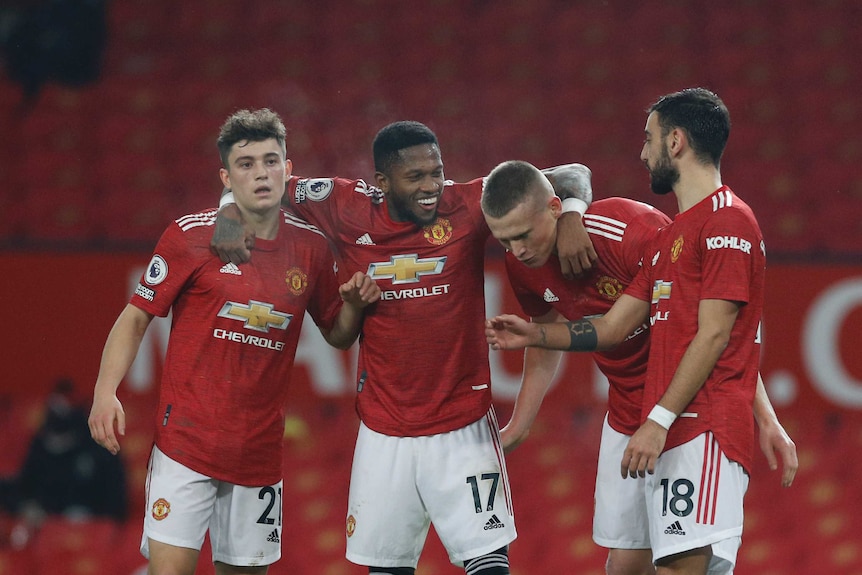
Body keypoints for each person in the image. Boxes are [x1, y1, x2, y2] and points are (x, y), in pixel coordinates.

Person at [211, 120, 596, 575]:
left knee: (490, 566)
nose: (432, 186)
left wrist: (570, 214)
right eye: (415, 178)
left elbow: (573, 174)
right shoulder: (340, 204)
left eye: (437, 171)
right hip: (383, 431)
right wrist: (227, 212)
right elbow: (265, 182)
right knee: (386, 570)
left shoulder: (467, 203)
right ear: (381, 182)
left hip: (464, 425)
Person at [485, 88, 773, 575]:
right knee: (625, 567)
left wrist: (669, 420)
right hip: (641, 416)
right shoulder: (678, 235)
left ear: (675, 142)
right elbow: (613, 327)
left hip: (691, 417)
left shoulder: (709, 223)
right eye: (503, 241)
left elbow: (719, 336)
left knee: (683, 563)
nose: (641, 153)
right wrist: (535, 337)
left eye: (649, 139)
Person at [88, 108, 381, 575]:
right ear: (226, 176)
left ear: (288, 169)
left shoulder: (312, 249)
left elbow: (339, 337)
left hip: (258, 455)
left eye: (270, 161)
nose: (260, 173)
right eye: (246, 164)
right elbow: (136, 317)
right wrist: (106, 391)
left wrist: (355, 305)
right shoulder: (190, 236)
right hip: (186, 444)